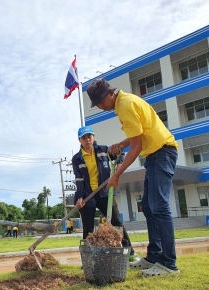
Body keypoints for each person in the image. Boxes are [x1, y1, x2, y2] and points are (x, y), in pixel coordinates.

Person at [87, 78, 180, 277]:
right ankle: (154, 256)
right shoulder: (125, 103)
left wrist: (116, 176)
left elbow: (137, 147)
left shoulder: (126, 105)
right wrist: (121, 144)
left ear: (110, 94)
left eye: (101, 102)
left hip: (162, 152)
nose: (101, 107)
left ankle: (169, 263)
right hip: (155, 155)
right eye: (97, 105)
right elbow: (137, 135)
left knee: (159, 206)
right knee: (148, 206)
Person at [72, 125, 135, 255]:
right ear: (79, 140)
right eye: (84, 138)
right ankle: (88, 258)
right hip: (87, 196)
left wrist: (119, 165)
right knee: (88, 229)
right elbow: (79, 179)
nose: (87, 140)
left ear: (93, 137)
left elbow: (120, 153)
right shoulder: (77, 158)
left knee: (117, 222)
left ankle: (129, 253)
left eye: (89, 136)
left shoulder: (104, 150)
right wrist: (79, 197)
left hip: (105, 192)